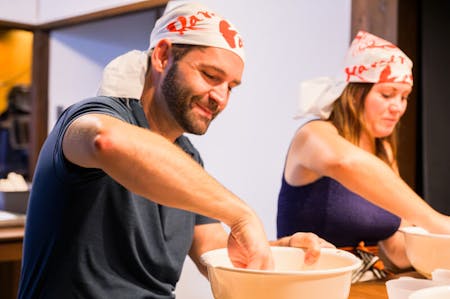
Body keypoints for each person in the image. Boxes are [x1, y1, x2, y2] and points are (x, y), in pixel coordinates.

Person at [18, 2, 331, 298]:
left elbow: (217, 254)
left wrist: (278, 251)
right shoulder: (91, 115)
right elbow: (106, 141)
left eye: (231, 86)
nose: (220, 98)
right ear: (163, 56)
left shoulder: (187, 157)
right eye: (210, 76)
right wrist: (242, 215)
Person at [276, 30, 450, 279]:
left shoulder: (383, 151)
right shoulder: (313, 135)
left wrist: (439, 249)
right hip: (312, 282)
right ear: (355, 93)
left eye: (404, 97)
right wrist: (437, 223)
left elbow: (398, 252)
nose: (398, 107)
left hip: (368, 281)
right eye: (387, 94)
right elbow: (343, 161)